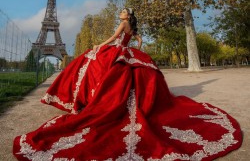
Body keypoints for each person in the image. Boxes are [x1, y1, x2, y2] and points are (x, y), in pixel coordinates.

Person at [13, 8, 242, 161]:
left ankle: (82, 97)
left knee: (91, 61)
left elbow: (113, 39)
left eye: (122, 11)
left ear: (126, 16)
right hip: (129, 52)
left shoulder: (122, 25)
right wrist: (138, 47)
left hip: (118, 51)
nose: (120, 13)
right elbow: (139, 40)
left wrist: (97, 45)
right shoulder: (132, 29)